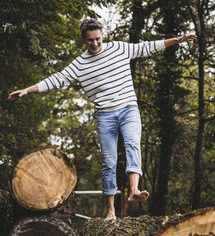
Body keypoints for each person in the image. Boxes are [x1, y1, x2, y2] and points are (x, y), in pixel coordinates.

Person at [8, 19, 197, 220]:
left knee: (133, 144)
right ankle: (111, 211)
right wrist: (28, 90)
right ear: (84, 40)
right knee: (109, 162)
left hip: (128, 109)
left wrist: (178, 39)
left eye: (97, 39)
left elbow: (147, 47)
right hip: (105, 115)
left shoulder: (119, 48)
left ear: (102, 35)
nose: (95, 43)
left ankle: (134, 189)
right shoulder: (80, 64)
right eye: (90, 41)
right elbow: (56, 79)